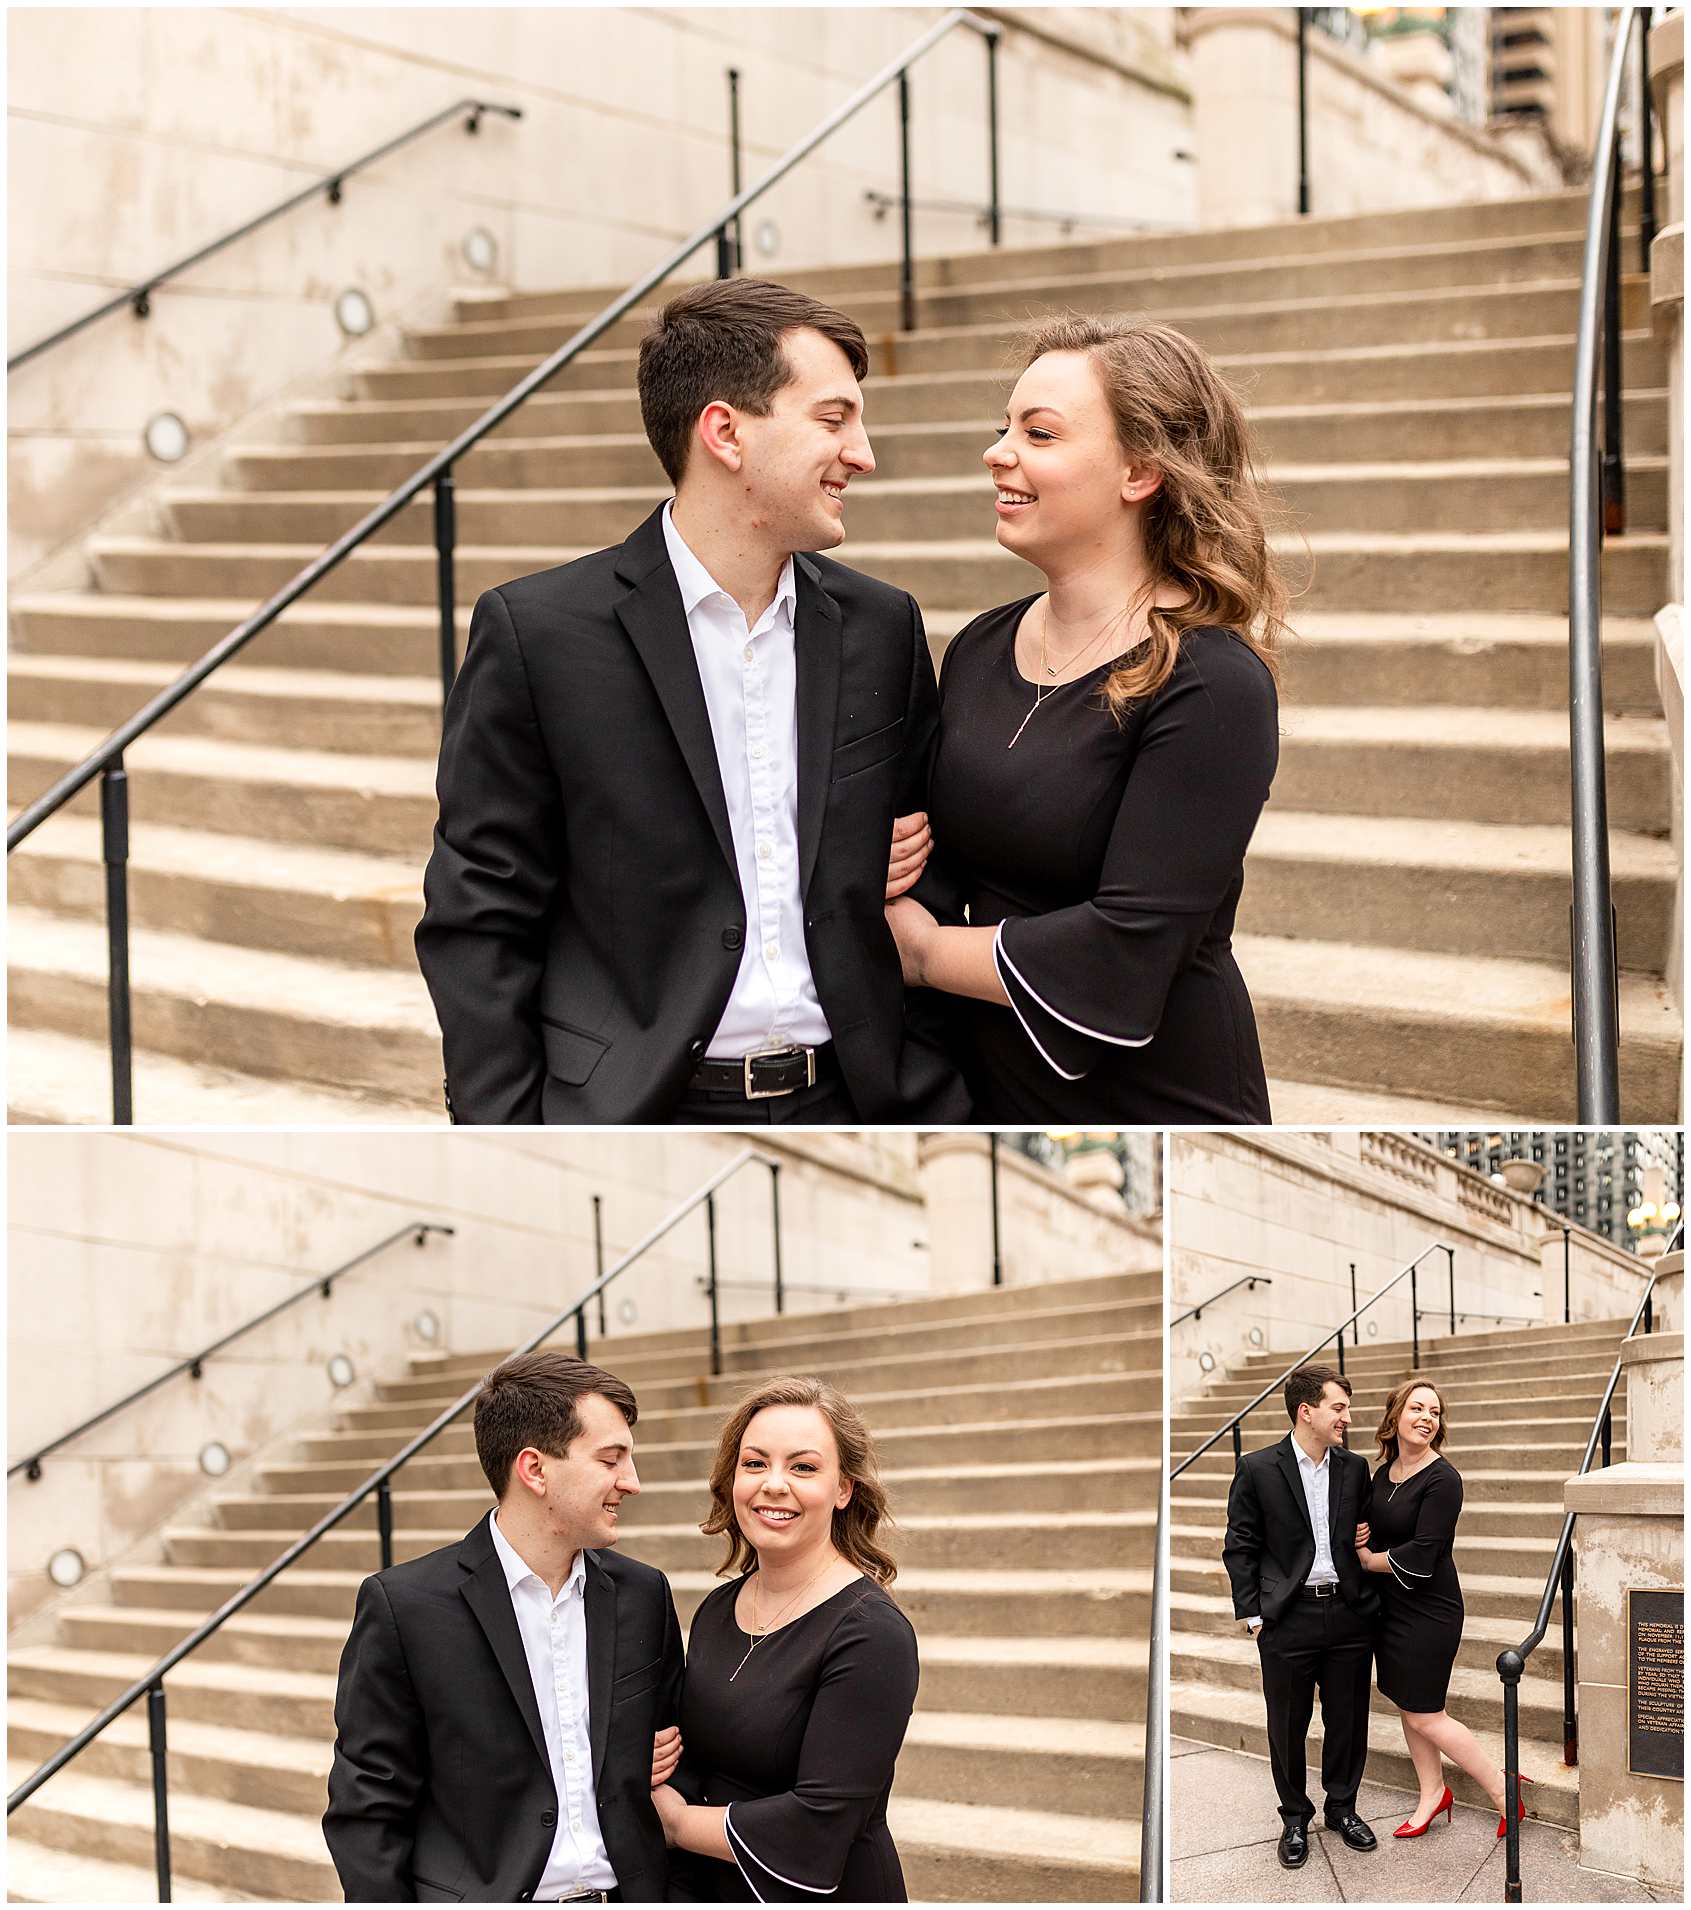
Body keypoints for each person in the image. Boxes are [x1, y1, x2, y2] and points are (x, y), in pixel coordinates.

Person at [416, 277, 969, 1124]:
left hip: (862, 1101)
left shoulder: (880, 624)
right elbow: (480, 911)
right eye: (833, 419)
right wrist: (500, 1125)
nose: (863, 453)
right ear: (725, 433)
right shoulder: (538, 633)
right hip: (637, 1108)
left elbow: (929, 864)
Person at [882, 316, 1283, 1122]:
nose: (998, 452)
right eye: (1003, 429)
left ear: (1139, 472)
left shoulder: (1210, 682)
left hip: (1149, 1098)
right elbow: (941, 858)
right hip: (989, 1083)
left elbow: (1127, 946)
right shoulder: (980, 643)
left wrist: (922, 953)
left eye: (1038, 433)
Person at [323, 1353, 685, 1902]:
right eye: (611, 1460)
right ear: (534, 1469)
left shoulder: (644, 1594)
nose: (631, 1482)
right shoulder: (405, 1606)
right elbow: (368, 1806)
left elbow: (673, 1753)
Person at [652, 1375, 919, 1901]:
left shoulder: (872, 1633)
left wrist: (679, 1824)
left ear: (844, 1489)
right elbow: (697, 1751)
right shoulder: (718, 1608)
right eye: (755, 1463)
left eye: (803, 1467)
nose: (774, 1484)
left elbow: (819, 1822)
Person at [1221, 1364, 1379, 1870]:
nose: (1347, 1418)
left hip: (1347, 1611)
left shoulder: (1353, 1469)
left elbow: (1367, 1528)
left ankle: (1341, 1808)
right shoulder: (1257, 1468)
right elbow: (1240, 1546)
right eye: (1339, 1407)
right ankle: (1294, 1817)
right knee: (1287, 1724)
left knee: (1348, 1721)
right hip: (1287, 1616)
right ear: (1305, 1411)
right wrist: (1252, 1614)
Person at [1354, 1377, 1523, 1839]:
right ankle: (1432, 1793)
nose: (1427, 1418)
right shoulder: (1382, 1474)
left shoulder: (1443, 1479)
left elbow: (1425, 1551)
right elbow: (1376, 1527)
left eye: (1435, 1412)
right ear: (1396, 1416)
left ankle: (1504, 1790)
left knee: (1427, 1713)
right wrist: (1359, 1539)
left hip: (1430, 1610)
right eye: (1418, 1409)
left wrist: (1370, 1560)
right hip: (1390, 1608)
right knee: (1409, 1707)